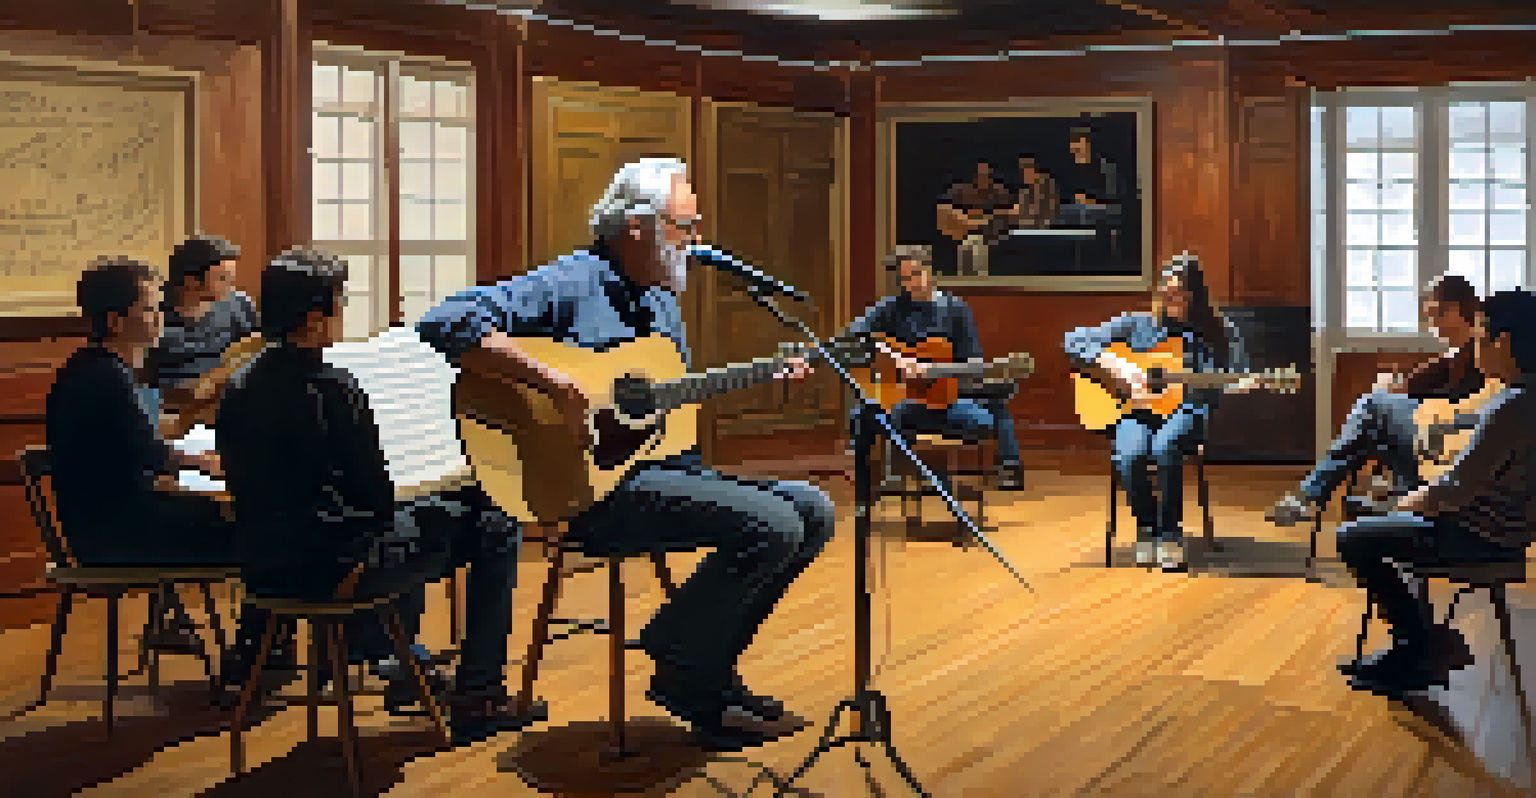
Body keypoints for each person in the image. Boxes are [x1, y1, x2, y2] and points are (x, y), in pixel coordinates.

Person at [416, 157, 831, 752]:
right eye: (683, 227)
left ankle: (698, 664)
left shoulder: (661, 298)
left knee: (813, 508)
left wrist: (768, 374)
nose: (695, 241)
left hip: (660, 475)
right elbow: (448, 320)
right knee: (774, 520)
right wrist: (556, 385)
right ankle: (690, 670)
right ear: (637, 228)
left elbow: (660, 411)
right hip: (592, 492)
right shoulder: (573, 280)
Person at [216, 249, 542, 745]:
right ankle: (478, 693)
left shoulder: (240, 382)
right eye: (337, 303)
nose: (341, 313)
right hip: (336, 572)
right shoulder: (329, 384)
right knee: (494, 523)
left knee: (411, 523)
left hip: (264, 568)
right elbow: (375, 496)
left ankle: (402, 662)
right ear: (314, 317)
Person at [1333, 289, 1536, 699]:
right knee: (1385, 500)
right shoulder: (1522, 399)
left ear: (1505, 342)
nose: (1475, 348)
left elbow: (1455, 491)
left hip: (1476, 535)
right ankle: (1428, 642)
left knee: (1353, 536)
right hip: (1512, 532)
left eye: (1480, 337)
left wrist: (1410, 500)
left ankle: (1419, 647)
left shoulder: (1510, 407)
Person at [44, 257, 236, 652]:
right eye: (149, 308)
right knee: (258, 530)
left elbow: (137, 452)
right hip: (114, 535)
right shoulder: (105, 377)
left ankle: (243, 650)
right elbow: (150, 454)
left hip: (108, 523)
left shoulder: (97, 368)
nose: (159, 316)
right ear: (115, 320)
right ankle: (259, 657)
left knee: (239, 520)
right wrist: (206, 462)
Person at [1063, 253, 1252, 571]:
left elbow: (1231, 376)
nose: (1171, 300)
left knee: (1166, 446)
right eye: (1166, 293)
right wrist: (1116, 365)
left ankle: (1170, 534)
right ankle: (1147, 530)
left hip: (1187, 409)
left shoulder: (1219, 331)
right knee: (1130, 455)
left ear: (1196, 295)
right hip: (1135, 412)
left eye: (1179, 294)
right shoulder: (1138, 324)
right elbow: (1072, 340)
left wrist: (1237, 385)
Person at [1267, 274, 1484, 526]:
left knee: (1372, 407)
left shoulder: (1478, 349)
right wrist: (1398, 389)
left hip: (1456, 433)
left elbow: (1466, 402)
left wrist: (1401, 394)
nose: (1430, 322)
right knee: (1375, 432)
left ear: (1457, 310)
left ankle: (1311, 496)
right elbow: (1414, 384)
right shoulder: (1455, 353)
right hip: (1439, 429)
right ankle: (1402, 501)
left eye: (1436, 313)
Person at [841, 251, 1024, 490]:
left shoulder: (955, 311)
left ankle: (1006, 468)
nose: (912, 283)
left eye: (917, 274)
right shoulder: (890, 308)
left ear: (931, 272)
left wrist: (931, 369)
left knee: (991, 408)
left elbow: (973, 363)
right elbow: (852, 336)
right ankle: (878, 479)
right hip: (905, 398)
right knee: (865, 411)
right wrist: (895, 357)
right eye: (905, 279)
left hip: (950, 393)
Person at [145, 234, 259, 413]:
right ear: (191, 280)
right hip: (168, 405)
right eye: (222, 278)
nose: (230, 285)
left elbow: (255, 350)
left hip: (226, 400)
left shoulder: (239, 305)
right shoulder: (151, 311)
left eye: (231, 278)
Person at [936, 161, 1015, 277]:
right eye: (980, 175)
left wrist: (982, 221)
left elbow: (1008, 215)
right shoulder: (962, 191)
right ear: (975, 177)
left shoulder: (999, 192)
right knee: (970, 244)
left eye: (986, 175)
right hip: (964, 235)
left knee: (974, 245)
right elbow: (943, 210)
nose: (983, 179)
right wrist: (965, 220)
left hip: (991, 237)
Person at [1064, 127, 1120, 209]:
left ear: (1088, 145)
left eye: (1078, 150)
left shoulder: (1106, 167)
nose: (1076, 156)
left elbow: (1114, 202)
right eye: (1074, 152)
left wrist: (1089, 201)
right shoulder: (1077, 171)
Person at [1008, 155, 1060, 230]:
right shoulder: (1025, 193)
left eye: (1026, 171)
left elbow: (1048, 214)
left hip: (1043, 229)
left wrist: (1021, 214)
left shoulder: (1047, 186)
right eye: (1022, 173)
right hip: (1025, 228)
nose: (1024, 176)